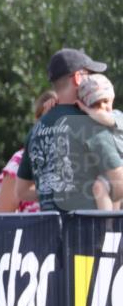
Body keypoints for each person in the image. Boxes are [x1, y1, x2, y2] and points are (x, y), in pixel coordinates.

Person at [17, 48, 123, 212]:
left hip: (49, 231)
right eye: (90, 75)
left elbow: (21, 191)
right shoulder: (89, 123)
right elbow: (119, 182)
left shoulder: (36, 129)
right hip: (88, 231)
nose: (95, 80)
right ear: (78, 78)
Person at [0, 91, 57, 213]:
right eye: (49, 118)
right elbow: (3, 215)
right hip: (33, 231)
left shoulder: (78, 157)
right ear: (37, 121)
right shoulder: (20, 160)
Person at [76, 74, 123, 210]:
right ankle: (109, 226)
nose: (102, 106)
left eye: (105, 101)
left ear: (112, 98)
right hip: (110, 174)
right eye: (96, 103)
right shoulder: (89, 126)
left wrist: (87, 109)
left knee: (105, 185)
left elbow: (105, 118)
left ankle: (110, 224)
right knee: (101, 187)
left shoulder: (117, 116)